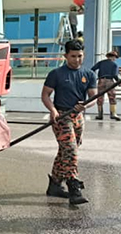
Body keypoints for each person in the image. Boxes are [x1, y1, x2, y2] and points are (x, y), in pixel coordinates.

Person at [41, 40, 98, 205]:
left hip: (78, 117)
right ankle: (74, 188)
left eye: (80, 56)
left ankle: (55, 184)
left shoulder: (89, 75)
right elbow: (45, 95)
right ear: (66, 56)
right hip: (61, 116)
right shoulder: (56, 74)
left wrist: (85, 105)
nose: (77, 60)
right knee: (71, 151)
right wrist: (53, 110)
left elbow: (94, 97)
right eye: (73, 56)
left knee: (66, 151)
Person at [91, 50, 121, 121]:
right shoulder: (114, 65)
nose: (115, 59)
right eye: (115, 57)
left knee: (100, 97)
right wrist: (119, 82)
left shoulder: (101, 63)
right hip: (109, 81)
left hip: (101, 81)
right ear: (113, 57)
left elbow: (92, 69)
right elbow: (115, 75)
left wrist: (94, 78)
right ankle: (113, 114)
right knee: (112, 97)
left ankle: (100, 114)